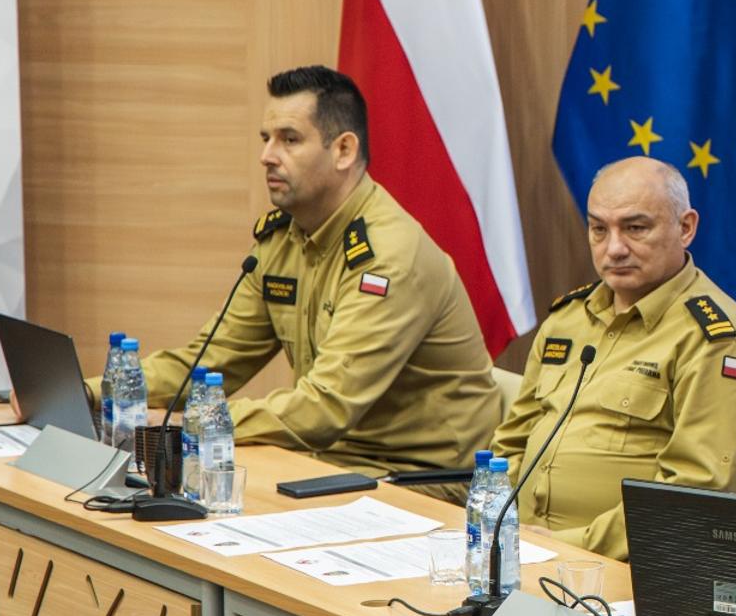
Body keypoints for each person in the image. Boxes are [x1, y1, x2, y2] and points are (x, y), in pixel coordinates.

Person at [89, 65, 501, 504]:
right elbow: (209, 361)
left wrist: (187, 423)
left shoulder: (388, 256)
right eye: (265, 139)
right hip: (329, 464)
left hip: (420, 481)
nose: (267, 155)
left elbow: (326, 407)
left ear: (343, 150)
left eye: (289, 139)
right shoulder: (282, 239)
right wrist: (91, 392)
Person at [491, 157, 736, 561]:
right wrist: (498, 527)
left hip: (619, 569)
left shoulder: (713, 339)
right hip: (521, 552)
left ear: (686, 228)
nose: (614, 249)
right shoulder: (568, 319)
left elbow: (692, 493)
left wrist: (562, 546)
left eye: (636, 228)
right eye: (599, 229)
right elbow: (511, 442)